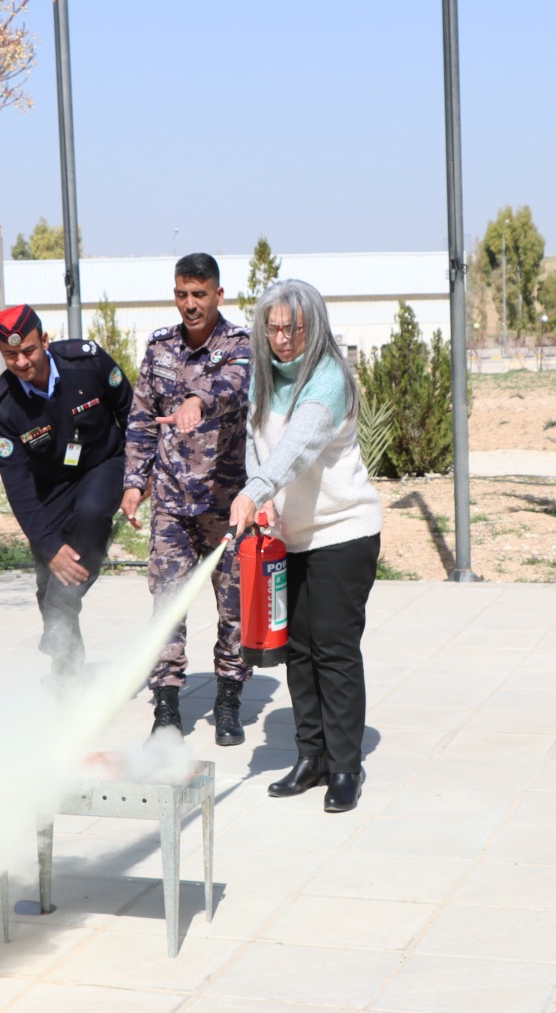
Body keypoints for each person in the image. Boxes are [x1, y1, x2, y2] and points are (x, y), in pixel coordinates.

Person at [229, 280, 382, 814]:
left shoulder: (330, 379)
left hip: (343, 531)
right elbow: (256, 443)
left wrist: (255, 492)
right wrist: (261, 497)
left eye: (292, 328)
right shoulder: (264, 376)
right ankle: (311, 756)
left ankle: (345, 767)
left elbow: (297, 447)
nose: (282, 339)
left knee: (333, 650)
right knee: (297, 649)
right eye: (272, 328)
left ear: (312, 326)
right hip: (289, 537)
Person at [122, 253, 253, 744]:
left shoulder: (239, 345)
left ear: (219, 294)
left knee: (234, 610)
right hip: (173, 505)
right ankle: (167, 709)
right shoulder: (159, 349)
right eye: (182, 294)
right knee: (167, 607)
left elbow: (233, 389)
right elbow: (139, 420)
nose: (190, 305)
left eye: (200, 295)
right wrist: (135, 482)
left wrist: (197, 401)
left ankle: (228, 702)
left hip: (226, 505)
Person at [0, 305, 132, 681]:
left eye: (29, 350)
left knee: (92, 510)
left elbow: (130, 411)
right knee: (48, 582)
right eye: (10, 355)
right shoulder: (4, 407)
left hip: (103, 462)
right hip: (50, 485)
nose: (21, 361)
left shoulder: (87, 361)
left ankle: (62, 612)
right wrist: (49, 547)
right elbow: (17, 485)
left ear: (45, 341)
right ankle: (68, 676)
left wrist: (140, 473)